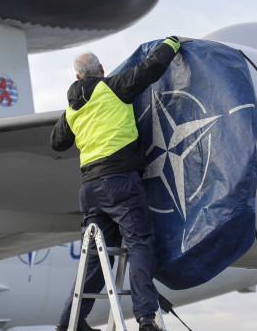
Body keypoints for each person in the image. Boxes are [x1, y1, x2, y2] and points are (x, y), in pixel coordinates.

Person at [50, 36, 190, 331]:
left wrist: (74, 117)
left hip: (90, 190)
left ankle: (69, 322)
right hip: (120, 182)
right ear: (101, 69)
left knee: (94, 259)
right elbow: (150, 69)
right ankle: (145, 318)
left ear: (77, 76)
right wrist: (173, 42)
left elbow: (57, 142)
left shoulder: (72, 110)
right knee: (139, 244)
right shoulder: (112, 88)